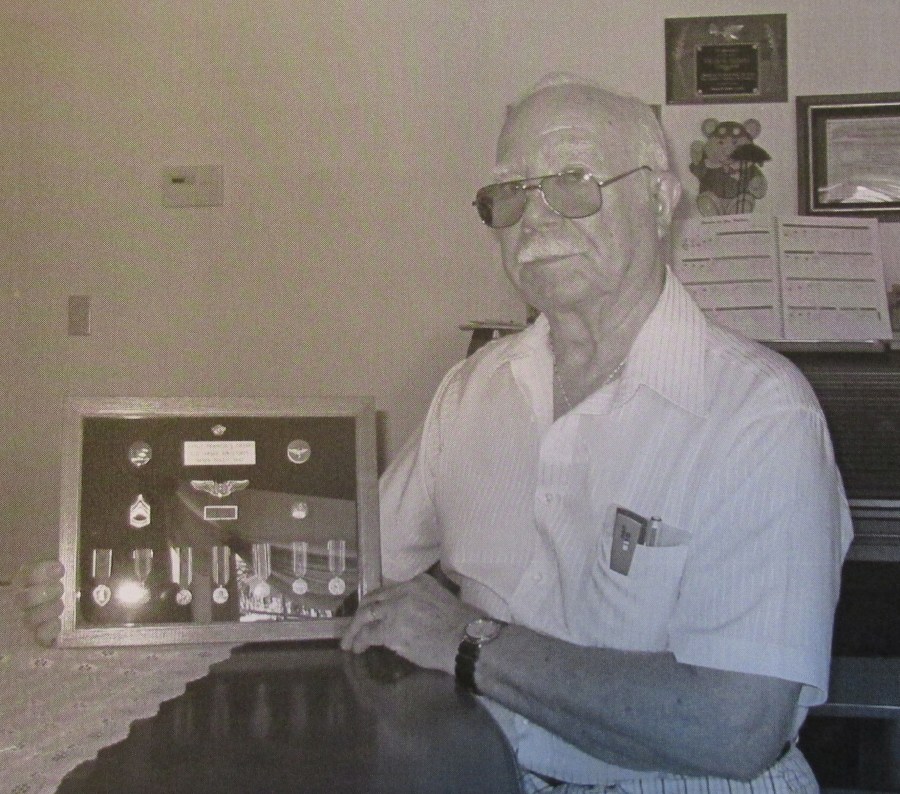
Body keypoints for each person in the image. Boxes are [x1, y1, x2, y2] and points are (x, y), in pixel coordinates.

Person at [21, 74, 852, 792]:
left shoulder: (758, 414)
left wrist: (470, 642)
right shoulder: (477, 389)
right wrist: (119, 586)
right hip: (481, 771)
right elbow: (344, 565)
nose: (534, 218)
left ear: (663, 199)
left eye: (571, 182)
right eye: (510, 195)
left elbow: (735, 729)